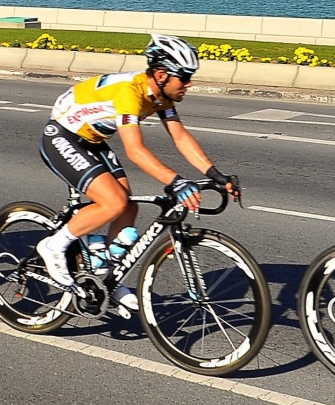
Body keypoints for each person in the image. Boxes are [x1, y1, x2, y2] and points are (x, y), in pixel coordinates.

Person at [33, 36, 240, 314]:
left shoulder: (161, 96)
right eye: (185, 77)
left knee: (127, 206)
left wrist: (215, 173)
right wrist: (177, 182)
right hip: (62, 135)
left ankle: (106, 277)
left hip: (91, 140)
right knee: (113, 202)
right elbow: (135, 150)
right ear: (162, 74)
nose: (189, 83)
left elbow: (180, 137)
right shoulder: (130, 92)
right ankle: (53, 246)